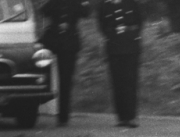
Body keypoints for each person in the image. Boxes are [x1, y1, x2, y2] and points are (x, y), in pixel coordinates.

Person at [40, 0, 91, 126]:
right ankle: (43, 106)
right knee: (44, 77)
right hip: (52, 42)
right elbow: (43, 11)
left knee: (66, 81)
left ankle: (63, 116)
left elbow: (86, 13)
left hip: (69, 43)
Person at [98, 0, 142, 128]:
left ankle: (131, 117)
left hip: (131, 45)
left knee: (131, 81)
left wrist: (130, 33)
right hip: (114, 46)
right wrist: (111, 34)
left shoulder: (132, 2)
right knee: (117, 81)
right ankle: (121, 117)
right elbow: (101, 24)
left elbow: (139, 22)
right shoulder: (105, 4)